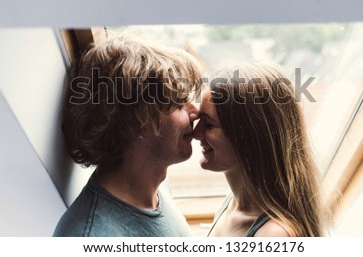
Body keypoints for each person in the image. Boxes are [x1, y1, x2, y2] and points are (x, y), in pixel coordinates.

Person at [53, 33, 202, 236]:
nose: (196, 111)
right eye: (179, 102)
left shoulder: (155, 183)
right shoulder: (91, 236)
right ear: (137, 122)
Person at [193, 62, 326, 237]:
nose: (196, 133)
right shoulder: (232, 203)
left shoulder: (273, 235)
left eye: (209, 124)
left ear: (249, 137)